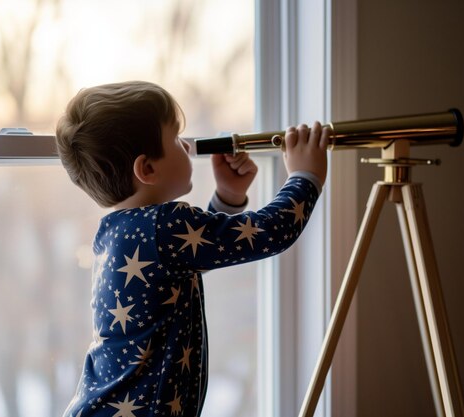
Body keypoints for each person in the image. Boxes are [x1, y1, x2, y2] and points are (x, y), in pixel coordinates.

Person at [55, 80, 329, 417]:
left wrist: (227, 198)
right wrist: (306, 175)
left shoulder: (116, 232)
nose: (186, 145)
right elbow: (272, 231)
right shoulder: (165, 225)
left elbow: (190, 256)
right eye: (175, 139)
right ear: (148, 169)